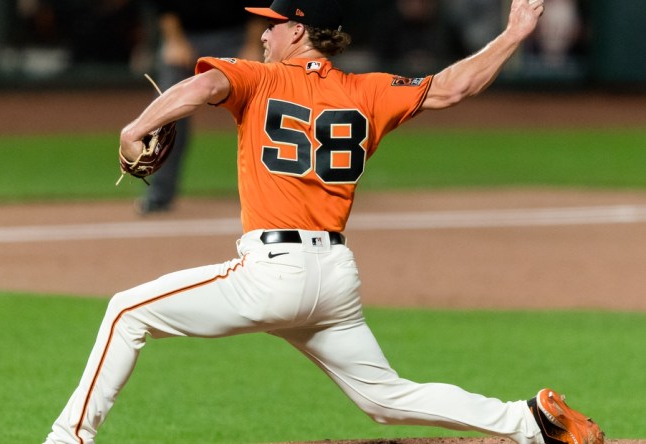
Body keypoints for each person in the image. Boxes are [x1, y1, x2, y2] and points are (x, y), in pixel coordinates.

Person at [43, 1, 606, 443]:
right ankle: (533, 423)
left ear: (297, 31)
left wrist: (134, 127)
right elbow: (454, 86)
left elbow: (203, 86)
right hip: (334, 278)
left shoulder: (257, 79)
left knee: (125, 311)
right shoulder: (368, 90)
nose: (263, 34)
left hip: (272, 274)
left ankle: (66, 438)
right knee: (384, 398)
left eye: (272, 25)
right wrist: (511, 35)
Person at [135, 0, 268, 214]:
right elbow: (163, 6)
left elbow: (257, 6)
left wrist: (253, 44)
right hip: (185, 35)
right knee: (166, 113)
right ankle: (159, 195)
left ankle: (272, 194)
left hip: (237, 36)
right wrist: (174, 40)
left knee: (265, 109)